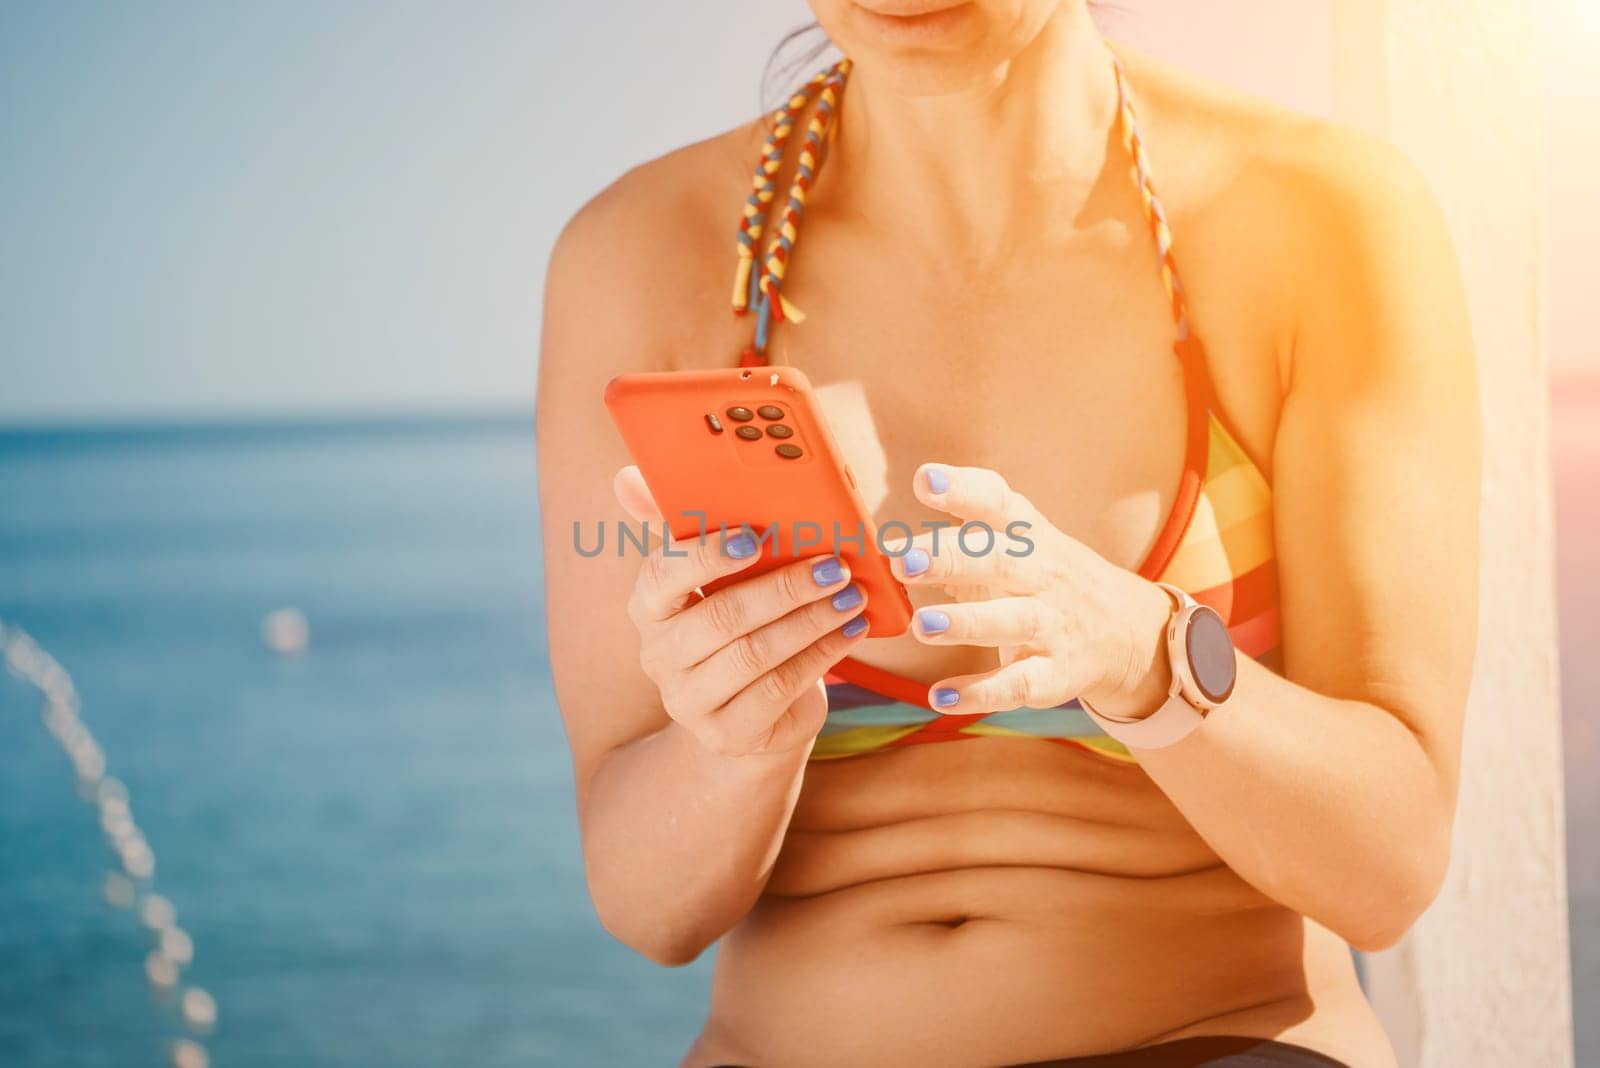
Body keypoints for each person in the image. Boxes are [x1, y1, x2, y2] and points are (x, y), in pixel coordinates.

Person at [536, 2, 1480, 1064]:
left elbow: (1388, 869)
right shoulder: (643, 255)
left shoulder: (1315, 216)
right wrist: (736, 742)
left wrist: (1148, 660)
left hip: (1210, 1036)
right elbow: (648, 909)